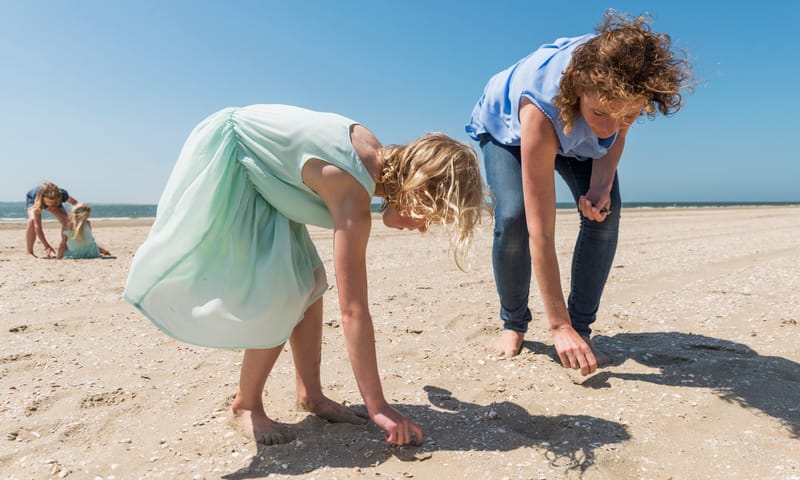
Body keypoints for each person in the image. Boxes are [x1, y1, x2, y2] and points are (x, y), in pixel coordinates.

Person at [124, 104, 488, 446]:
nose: (423, 228)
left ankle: (310, 394)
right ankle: (245, 404)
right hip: (239, 164)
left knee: (310, 284)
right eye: (430, 215)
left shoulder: (375, 157)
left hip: (273, 178)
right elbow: (354, 311)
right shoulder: (349, 190)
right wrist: (377, 405)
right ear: (416, 189)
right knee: (282, 291)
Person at [466, 12, 693, 375]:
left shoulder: (624, 83)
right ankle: (514, 323)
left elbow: (613, 135)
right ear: (578, 87)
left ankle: (581, 330)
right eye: (600, 111)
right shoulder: (541, 107)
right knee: (515, 217)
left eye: (628, 115)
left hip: (575, 120)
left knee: (607, 212)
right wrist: (556, 325)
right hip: (507, 125)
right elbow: (542, 232)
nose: (608, 127)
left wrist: (601, 185)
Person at [26, 181, 78, 258]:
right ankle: (29, 252)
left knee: (66, 220)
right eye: (49, 203)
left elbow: (75, 203)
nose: (50, 206)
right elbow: (38, 227)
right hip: (35, 199)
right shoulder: (37, 199)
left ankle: (65, 247)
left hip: (55, 200)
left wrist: (81, 214)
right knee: (32, 221)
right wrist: (46, 246)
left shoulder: (62, 194)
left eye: (52, 203)